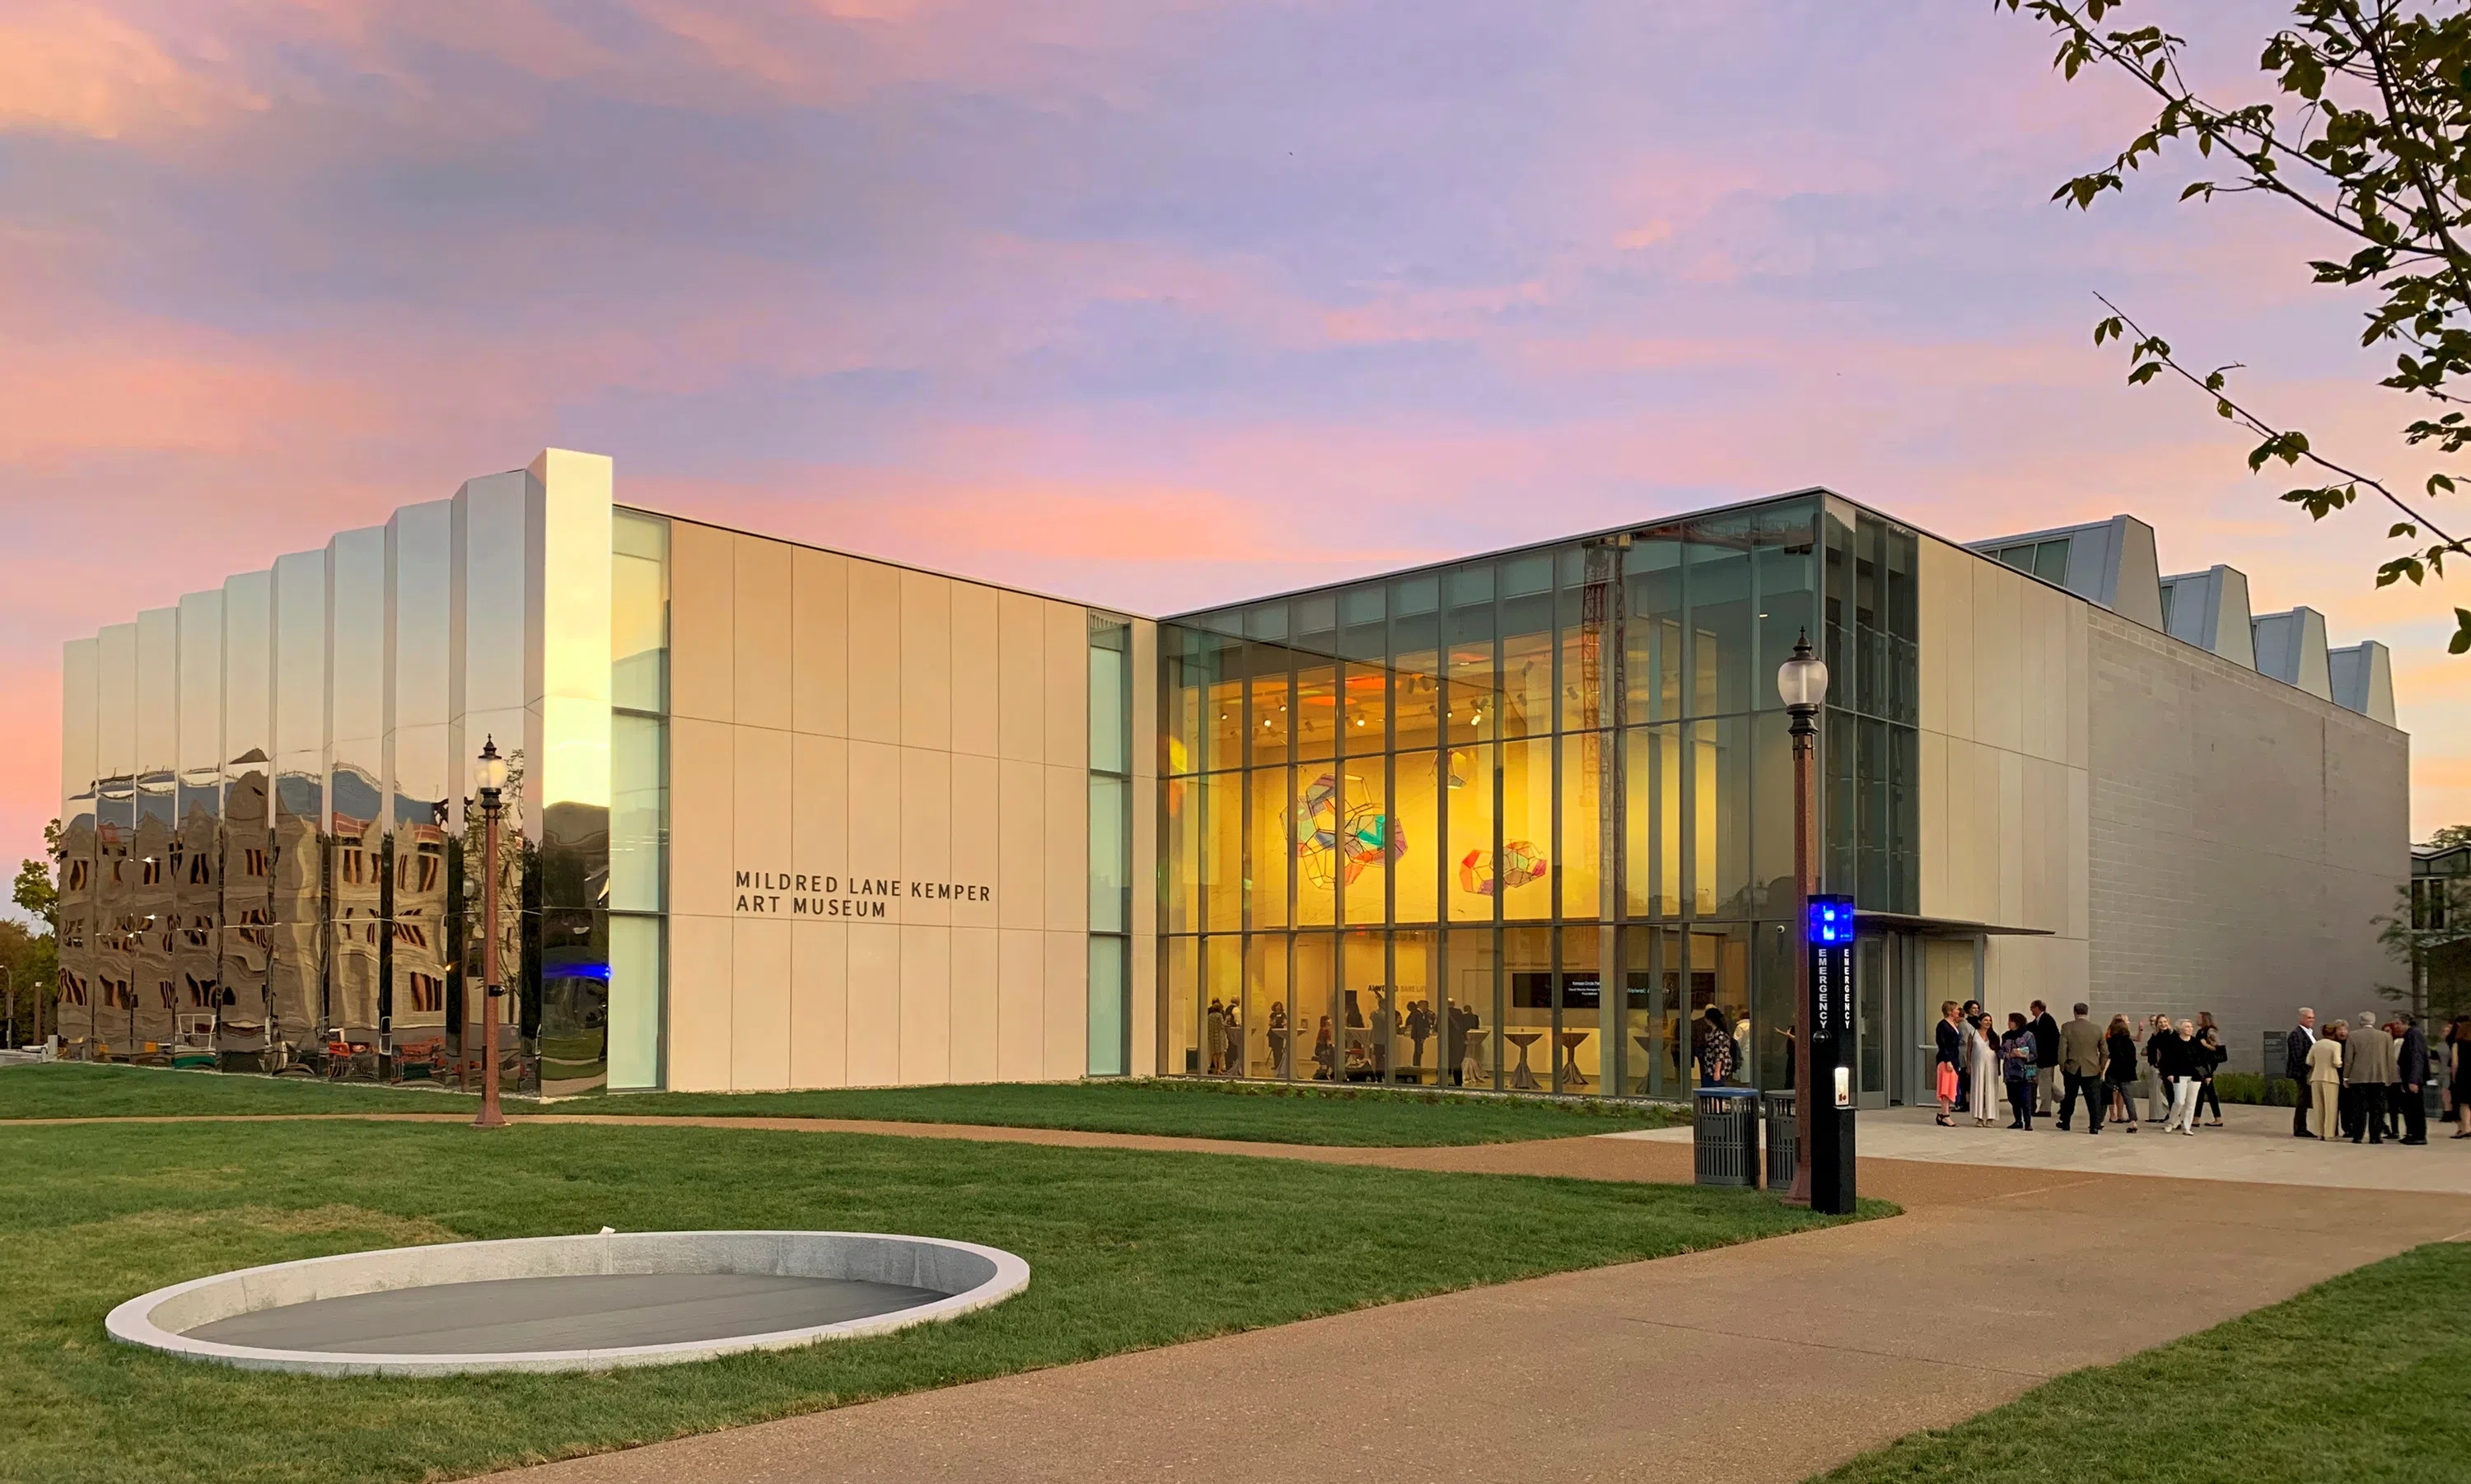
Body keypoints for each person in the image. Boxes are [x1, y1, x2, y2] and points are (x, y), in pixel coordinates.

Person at [2057, 1001, 2106, 1134]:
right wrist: (2101, 1066)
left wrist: (2062, 1065)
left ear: (2075, 1012)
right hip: (2092, 1068)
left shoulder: (2067, 1027)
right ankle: (2094, 1126)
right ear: (2087, 1012)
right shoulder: (2097, 1029)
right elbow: (2104, 1051)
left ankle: (2066, 1122)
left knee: (2070, 1097)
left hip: (2073, 1067)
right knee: (2094, 1099)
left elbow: (2062, 1049)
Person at [2346, 1011, 2394, 1145]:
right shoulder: (2385, 1037)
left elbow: (2349, 1059)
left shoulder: (2353, 1036)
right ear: (2374, 1021)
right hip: (2379, 1076)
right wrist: (2390, 1075)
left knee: (2358, 1108)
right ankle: (2375, 1136)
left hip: (2358, 1077)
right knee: (2378, 1109)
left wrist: (2346, 1076)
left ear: (2360, 1021)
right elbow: (2390, 1058)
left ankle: (2357, 1136)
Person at [2159, 1019, 2203, 1134]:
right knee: (2179, 1101)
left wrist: (2205, 1074)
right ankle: (2171, 1122)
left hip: (2195, 1077)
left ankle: (2187, 1127)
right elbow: (2167, 1060)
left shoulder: (2195, 1043)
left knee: (2191, 1103)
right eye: (2187, 1027)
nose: (2190, 1029)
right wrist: (2169, 1073)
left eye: (2191, 1027)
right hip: (2179, 1076)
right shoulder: (2173, 1042)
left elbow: (2202, 1059)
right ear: (2180, 1029)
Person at [2395, 1012, 2431, 1146]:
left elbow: (2417, 1058)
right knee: (2409, 1107)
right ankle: (2412, 1132)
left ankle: (2419, 1134)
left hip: (2412, 1078)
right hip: (2408, 1077)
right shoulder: (2411, 1035)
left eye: (2398, 1023)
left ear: (2406, 1023)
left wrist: (2414, 1080)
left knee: (2415, 1107)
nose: (2396, 1026)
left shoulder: (2414, 1035)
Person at [2307, 1021, 2346, 1140]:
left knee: (2318, 1107)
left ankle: (2319, 1132)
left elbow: (2309, 1061)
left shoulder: (2316, 1045)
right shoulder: (2336, 1045)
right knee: (2331, 1107)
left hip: (2316, 1077)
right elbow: (2337, 1062)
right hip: (2331, 1078)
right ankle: (2329, 1133)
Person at [2104, 1014, 2142, 1132]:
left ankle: (2099, 1120)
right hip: (2127, 1072)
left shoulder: (2110, 1041)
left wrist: (2103, 1072)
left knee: (2107, 1095)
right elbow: (2133, 1058)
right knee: (2128, 1097)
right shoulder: (2128, 1041)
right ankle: (2133, 1121)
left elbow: (2108, 1057)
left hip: (2113, 1071)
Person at [2000, 1012, 2039, 1130]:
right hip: (2010, 1070)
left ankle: (2028, 1122)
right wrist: (2009, 1055)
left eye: (2010, 1021)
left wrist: (2023, 1055)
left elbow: (2034, 1054)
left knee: (2025, 1097)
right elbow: (2001, 1052)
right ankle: (2017, 1120)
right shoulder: (2006, 1036)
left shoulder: (2028, 1035)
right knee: (2012, 1097)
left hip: (2025, 1071)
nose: (2008, 1023)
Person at [2286, 1006, 2319, 1139]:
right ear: (2301, 1018)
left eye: (2313, 1017)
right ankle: (2300, 1128)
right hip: (2302, 1073)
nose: (2312, 1020)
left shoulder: (2309, 1033)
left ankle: (2302, 1127)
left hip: (2308, 1072)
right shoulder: (2296, 1035)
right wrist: (2307, 1071)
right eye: (2309, 1018)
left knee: (2305, 1100)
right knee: (2302, 1100)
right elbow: (2298, 1056)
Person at [1966, 1011, 2000, 1127]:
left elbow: (1998, 1053)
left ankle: (1990, 1117)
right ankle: (1979, 1117)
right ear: (1980, 1021)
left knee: (1991, 1089)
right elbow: (1969, 1050)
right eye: (1985, 1020)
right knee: (1978, 1088)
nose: (1988, 1022)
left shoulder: (1994, 1036)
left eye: (1990, 1020)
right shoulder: (1973, 1033)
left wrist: (1999, 1069)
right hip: (1977, 1064)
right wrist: (1968, 1065)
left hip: (1992, 1065)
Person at [2029, 1000, 2062, 1117]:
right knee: (2043, 1081)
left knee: (2044, 1084)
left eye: (2032, 1007)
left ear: (2037, 1008)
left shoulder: (2047, 1020)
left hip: (2047, 1058)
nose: (2030, 1009)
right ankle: (2062, 1099)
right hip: (2040, 1058)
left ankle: (2045, 1109)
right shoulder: (2037, 1022)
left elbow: (2054, 1039)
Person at [1935, 1000, 1964, 1128]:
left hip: (1954, 1058)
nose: (1958, 1011)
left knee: (1951, 1086)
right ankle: (1945, 1115)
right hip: (1946, 1060)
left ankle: (1943, 1114)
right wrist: (1947, 1061)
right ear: (1949, 1011)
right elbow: (1942, 1044)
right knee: (1946, 1088)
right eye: (1956, 1009)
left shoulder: (1954, 1024)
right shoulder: (1943, 1025)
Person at [2144, 1015, 2177, 1125]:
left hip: (2172, 1068)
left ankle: (2175, 1117)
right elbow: (2152, 1047)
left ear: (2168, 1022)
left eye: (2165, 1022)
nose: (2163, 1024)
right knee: (2169, 1093)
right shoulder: (2157, 1036)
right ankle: (2173, 1117)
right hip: (2163, 1067)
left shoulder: (2173, 1035)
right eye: (2160, 1023)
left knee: (2174, 1093)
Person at [2193, 1016, 2226, 1127]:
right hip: (2200, 1065)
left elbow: (2217, 1047)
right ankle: (2198, 1119)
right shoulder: (2200, 1031)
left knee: (2206, 1092)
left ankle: (2215, 1119)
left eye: (2199, 1018)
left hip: (2207, 1066)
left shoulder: (2210, 1032)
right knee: (2204, 1092)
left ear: (2204, 1019)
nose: (2196, 1020)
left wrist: (2205, 1044)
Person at [1693, 1006, 1735, 1089]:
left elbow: (1719, 1054)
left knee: (1714, 1093)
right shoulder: (1718, 1033)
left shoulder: (1719, 1035)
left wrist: (1717, 1071)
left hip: (1714, 1069)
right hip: (1711, 1068)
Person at [2450, 1018, 2471, 1139]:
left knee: (2464, 1103)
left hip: (2464, 1075)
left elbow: (2455, 1063)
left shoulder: (2458, 1045)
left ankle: (2466, 1128)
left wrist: (2454, 1076)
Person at [1267, 1000, 1291, 1079]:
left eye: (1279, 1006)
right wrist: (1273, 1023)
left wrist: (1279, 1024)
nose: (1278, 1007)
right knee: (1274, 1049)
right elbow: (1270, 1023)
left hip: (1279, 1033)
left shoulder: (1283, 1014)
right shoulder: (1272, 1014)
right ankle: (1276, 1064)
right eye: (1277, 1006)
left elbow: (1285, 1022)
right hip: (1273, 1033)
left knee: (1279, 1049)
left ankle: (1280, 1065)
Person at [1311, 1015, 1335, 1081]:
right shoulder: (1326, 1031)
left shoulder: (1321, 1030)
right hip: (1323, 1050)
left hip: (1319, 1050)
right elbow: (1328, 1043)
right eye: (1329, 1019)